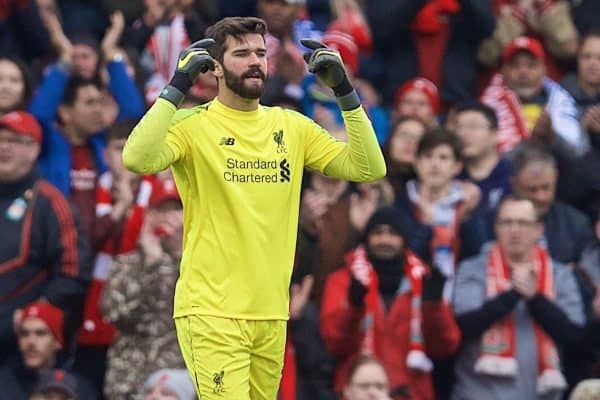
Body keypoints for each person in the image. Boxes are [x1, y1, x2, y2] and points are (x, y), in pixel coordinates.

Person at [122, 16, 386, 399]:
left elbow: (369, 167)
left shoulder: (292, 126)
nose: (255, 62)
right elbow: (137, 158)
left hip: (271, 313)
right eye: (242, 53)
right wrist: (178, 86)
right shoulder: (192, 125)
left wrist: (343, 89)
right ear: (213, 65)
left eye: (260, 53)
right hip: (212, 311)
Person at [452, 195, 584, 400]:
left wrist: (535, 298)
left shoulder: (560, 275)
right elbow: (465, 324)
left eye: (523, 223)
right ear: (495, 227)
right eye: (507, 222)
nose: (515, 230)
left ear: (539, 229)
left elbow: (574, 335)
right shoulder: (472, 270)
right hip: (478, 393)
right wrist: (513, 294)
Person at [320, 207, 460, 399]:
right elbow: (334, 344)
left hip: (411, 393)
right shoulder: (343, 281)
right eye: (378, 233)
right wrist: (353, 307)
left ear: (404, 240)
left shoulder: (423, 281)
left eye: (392, 233)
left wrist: (433, 305)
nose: (384, 240)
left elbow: (445, 347)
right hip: (358, 392)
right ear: (366, 238)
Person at [0, 111, 92, 369]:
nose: (4, 147)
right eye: (1, 140)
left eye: (15, 141)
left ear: (34, 149)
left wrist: (35, 312)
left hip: (21, 347)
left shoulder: (50, 202)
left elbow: (74, 271)